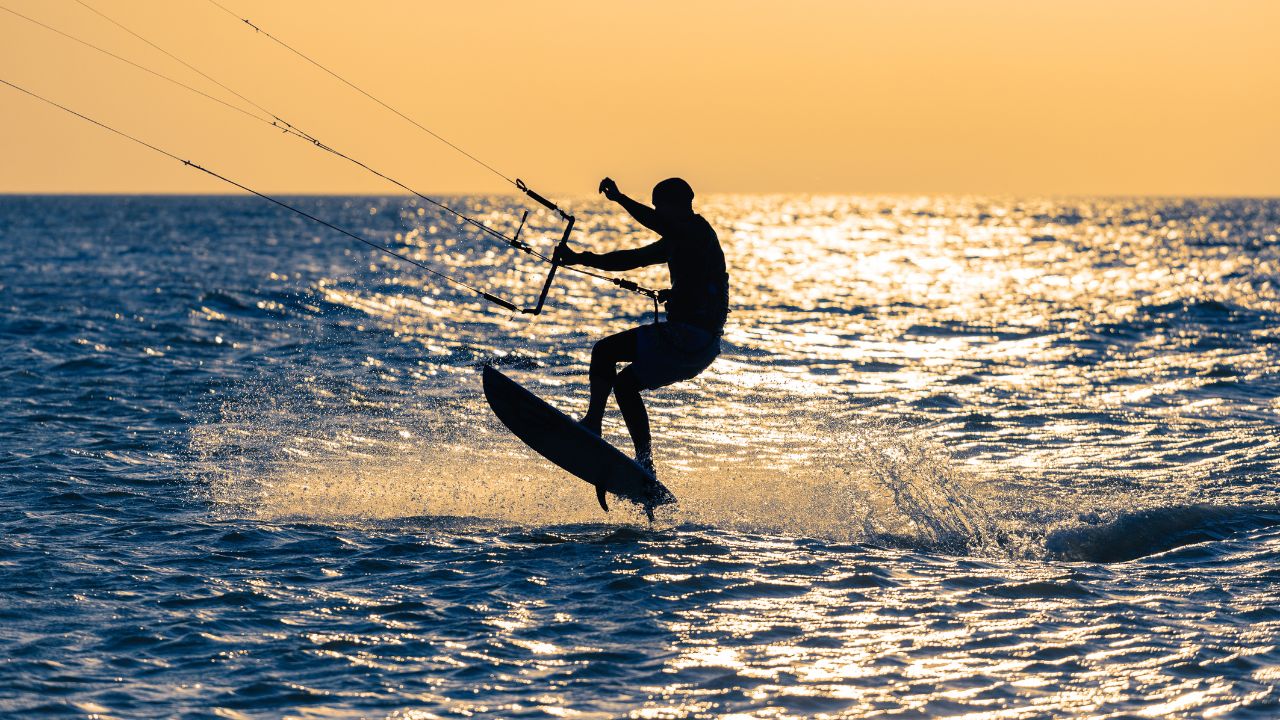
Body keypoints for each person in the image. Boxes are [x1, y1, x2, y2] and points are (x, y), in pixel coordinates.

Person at [559, 177, 729, 484]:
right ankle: (645, 462)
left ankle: (593, 424)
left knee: (605, 351)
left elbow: (655, 223)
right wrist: (580, 259)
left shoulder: (694, 231)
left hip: (688, 338)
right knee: (624, 386)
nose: (656, 214)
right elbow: (631, 259)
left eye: (659, 208)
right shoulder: (681, 239)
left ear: (674, 206)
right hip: (700, 346)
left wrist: (621, 198)